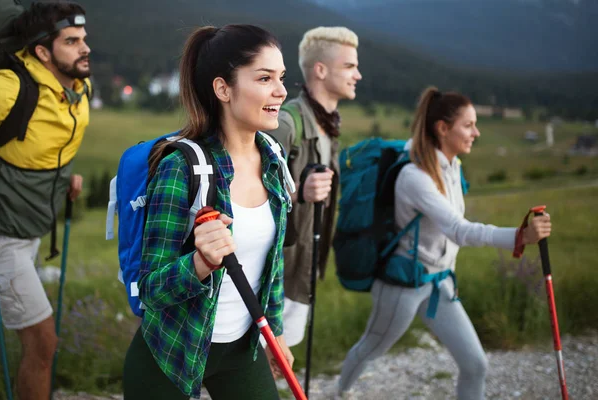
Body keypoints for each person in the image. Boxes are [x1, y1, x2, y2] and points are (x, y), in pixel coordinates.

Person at [338, 87, 552, 399]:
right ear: (442, 128)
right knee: (369, 349)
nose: (476, 132)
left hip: (440, 285)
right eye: (468, 125)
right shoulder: (415, 177)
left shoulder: (452, 168)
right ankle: (338, 393)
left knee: (476, 364)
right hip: (403, 285)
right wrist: (520, 236)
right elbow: (458, 230)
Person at [123, 24, 295, 400]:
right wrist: (201, 263)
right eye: (265, 78)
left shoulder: (273, 157)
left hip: (242, 350)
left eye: (281, 78)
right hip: (171, 351)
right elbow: (151, 289)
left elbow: (273, 264)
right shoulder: (182, 167)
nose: (281, 91)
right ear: (223, 89)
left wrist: (276, 333)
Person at [0, 2, 90, 399]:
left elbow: (38, 145)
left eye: (84, 39)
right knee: (42, 342)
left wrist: (61, 178)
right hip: (4, 237)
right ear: (41, 52)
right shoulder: (10, 87)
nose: (84, 48)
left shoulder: (75, 87)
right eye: (71, 41)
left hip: (29, 227)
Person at [266, 26, 362, 350]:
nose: (358, 75)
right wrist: (298, 193)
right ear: (320, 70)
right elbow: (248, 196)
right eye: (349, 66)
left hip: (303, 268)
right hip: (275, 273)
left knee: (280, 363)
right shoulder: (285, 124)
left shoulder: (328, 125)